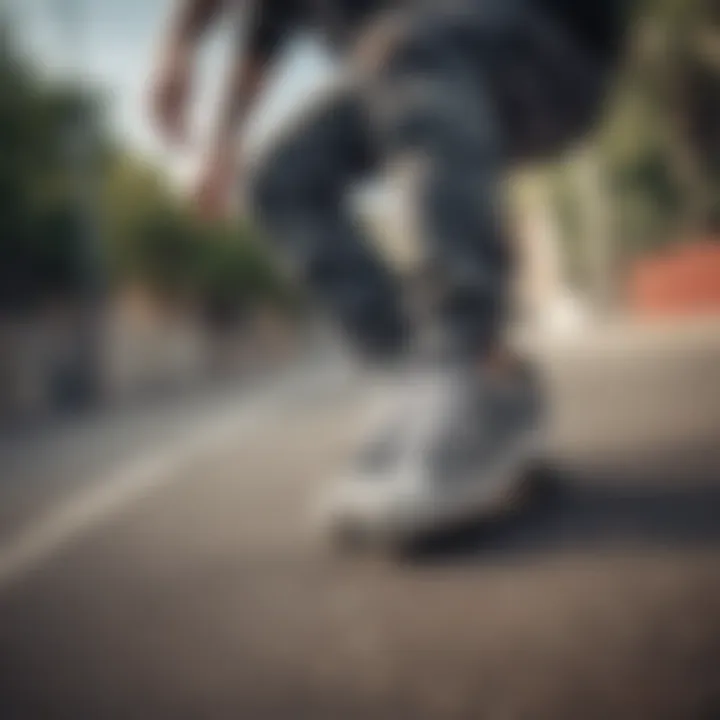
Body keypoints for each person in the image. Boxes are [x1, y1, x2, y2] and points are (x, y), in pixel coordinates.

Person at [150, 0, 628, 544]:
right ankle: (427, 386)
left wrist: (178, 47)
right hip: (421, 62)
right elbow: (257, 45)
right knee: (280, 180)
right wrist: (217, 135)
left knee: (404, 42)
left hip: (551, 44)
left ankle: (469, 359)